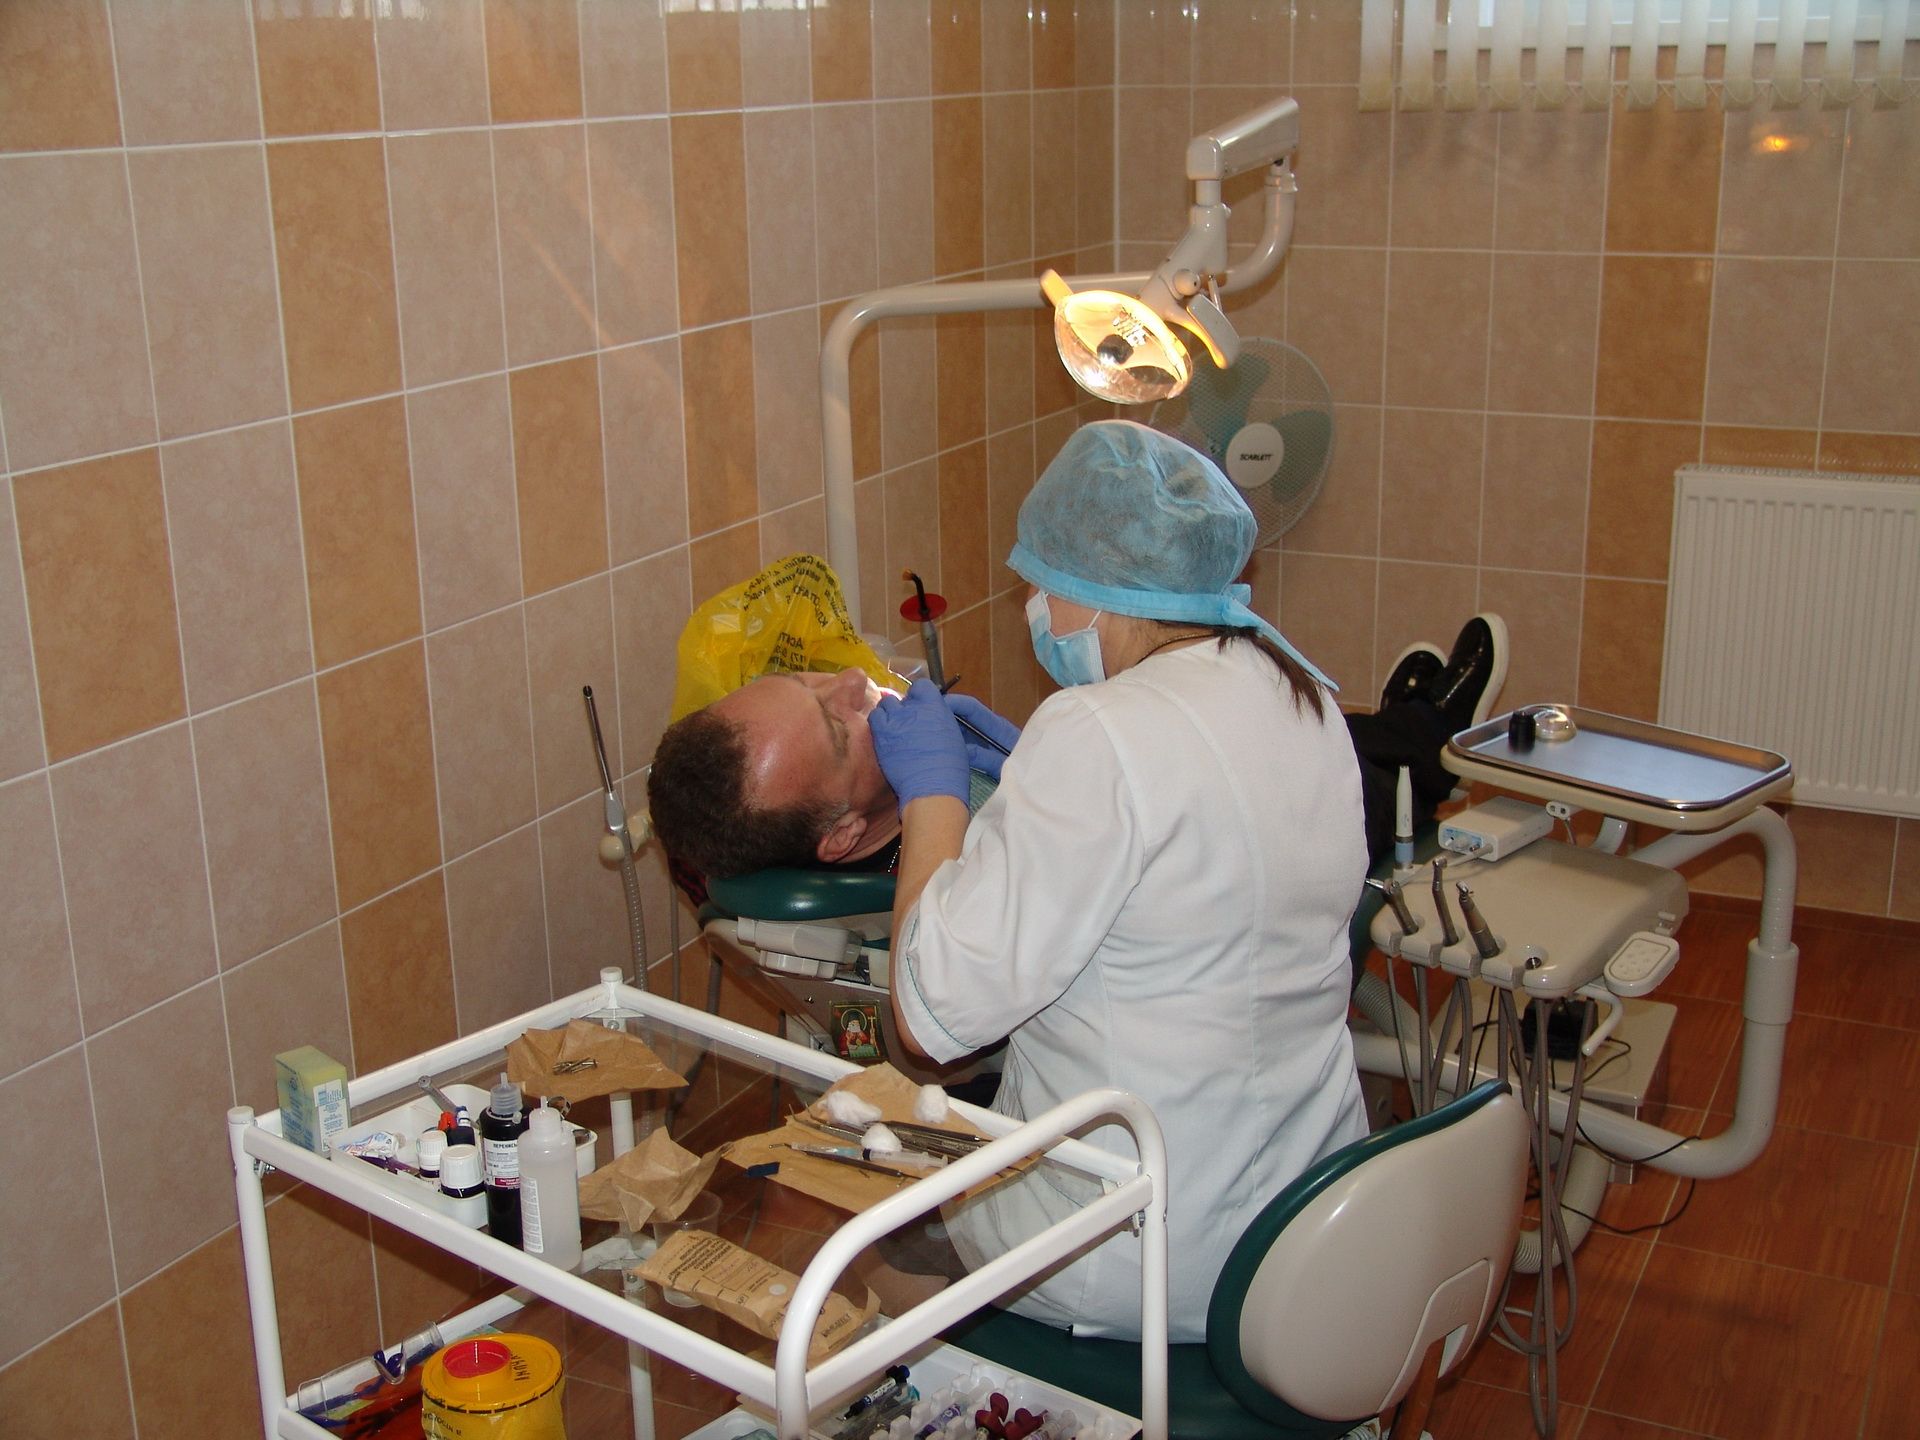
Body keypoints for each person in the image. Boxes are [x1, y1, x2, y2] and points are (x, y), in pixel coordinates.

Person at [851, 418, 1370, 1341]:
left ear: (1105, 593)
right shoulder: (1300, 695)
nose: (1035, 608)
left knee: (852, 1253)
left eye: (1042, 584)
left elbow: (929, 1024)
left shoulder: (1096, 731)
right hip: (1310, 1226)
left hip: (1133, 1249)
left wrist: (934, 794)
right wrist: (1037, 789)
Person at [646, 610, 1506, 890]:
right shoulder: (930, 865)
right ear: (839, 836)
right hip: (1252, 839)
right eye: (838, 727)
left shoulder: (908, 785)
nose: (848, 681)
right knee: (1324, 762)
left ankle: (1410, 723)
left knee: (1277, 726)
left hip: (1173, 798)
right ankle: (1433, 738)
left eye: (806, 678)